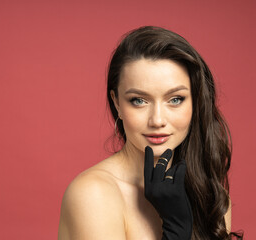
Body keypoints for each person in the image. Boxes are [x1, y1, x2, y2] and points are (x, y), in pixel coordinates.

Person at [58, 26, 243, 240]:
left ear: (196, 102)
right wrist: (176, 231)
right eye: (139, 101)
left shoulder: (211, 197)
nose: (157, 120)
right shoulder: (92, 195)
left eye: (175, 99)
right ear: (117, 102)